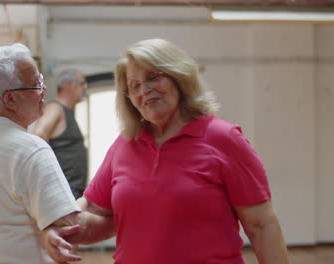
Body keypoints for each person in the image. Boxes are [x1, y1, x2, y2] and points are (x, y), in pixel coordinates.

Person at [46, 38, 289, 264]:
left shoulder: (223, 139)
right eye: (135, 85)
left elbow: (261, 225)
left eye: (153, 77)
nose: (144, 90)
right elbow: (94, 215)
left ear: (179, 77)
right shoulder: (125, 144)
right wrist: (57, 229)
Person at [0, 43, 111, 264]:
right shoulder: (29, 149)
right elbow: (74, 226)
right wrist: (132, 216)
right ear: (11, 100)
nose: (43, 90)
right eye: (36, 84)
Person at [33, 69, 88, 199]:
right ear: (70, 85)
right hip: (63, 192)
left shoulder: (68, 112)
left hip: (72, 191)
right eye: (81, 84)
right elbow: (37, 135)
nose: (84, 88)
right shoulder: (55, 109)